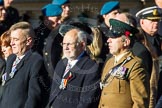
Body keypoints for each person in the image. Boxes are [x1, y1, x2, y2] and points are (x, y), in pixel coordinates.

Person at [98, 19, 150, 108]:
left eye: (113, 37)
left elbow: (140, 102)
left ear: (126, 42)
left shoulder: (135, 65)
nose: (108, 41)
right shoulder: (110, 62)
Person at [46, 28, 101, 108]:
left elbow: (86, 101)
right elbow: (53, 93)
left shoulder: (90, 67)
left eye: (69, 44)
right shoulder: (61, 63)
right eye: (64, 44)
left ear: (82, 45)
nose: (65, 48)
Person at [0, 22, 50, 108]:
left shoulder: (36, 61)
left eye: (16, 40)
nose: (12, 43)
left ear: (28, 41)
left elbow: (34, 97)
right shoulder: (11, 59)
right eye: (11, 39)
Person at [136, 6, 162, 108]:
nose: (156, 23)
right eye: (152, 20)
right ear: (142, 22)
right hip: (146, 91)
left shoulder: (159, 40)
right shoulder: (137, 42)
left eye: (157, 20)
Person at [115, 12, 152, 77]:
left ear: (130, 26)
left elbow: (141, 82)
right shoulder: (115, 49)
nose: (113, 29)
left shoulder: (139, 52)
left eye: (118, 24)